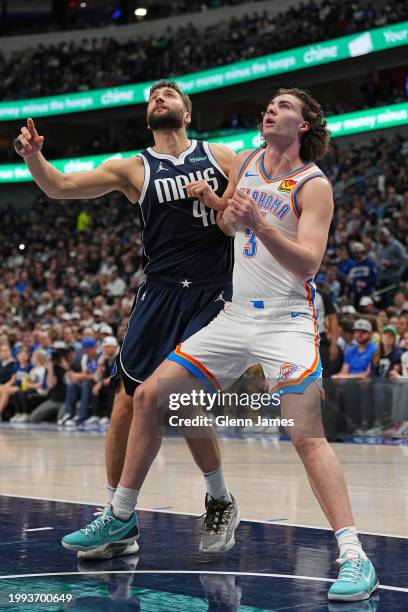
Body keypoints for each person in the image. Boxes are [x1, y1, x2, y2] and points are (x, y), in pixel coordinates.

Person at [63, 88, 377, 601]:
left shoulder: (313, 185)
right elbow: (231, 222)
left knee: (307, 437)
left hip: (287, 322)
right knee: (147, 397)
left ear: (302, 126)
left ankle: (353, 555)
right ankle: (120, 515)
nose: (270, 109)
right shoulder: (249, 159)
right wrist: (218, 206)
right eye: (270, 104)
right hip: (233, 317)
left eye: (283, 107)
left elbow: (308, 263)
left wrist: (260, 224)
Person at [15, 79, 239, 557]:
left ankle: (217, 499)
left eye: (169, 95)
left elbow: (246, 213)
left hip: (214, 293)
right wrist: (35, 157)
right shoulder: (135, 167)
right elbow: (61, 187)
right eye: (152, 97)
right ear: (147, 117)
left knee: (179, 397)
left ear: (188, 111)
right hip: (158, 294)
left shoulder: (223, 155)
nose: (159, 99)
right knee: (124, 404)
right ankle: (121, 519)